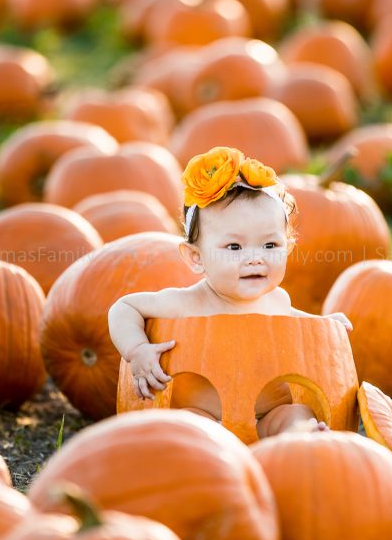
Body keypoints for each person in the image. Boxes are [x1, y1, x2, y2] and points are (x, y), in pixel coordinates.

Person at [108, 146, 352, 438]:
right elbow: (125, 307)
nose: (254, 258)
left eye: (270, 245)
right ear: (196, 257)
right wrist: (137, 350)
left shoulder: (277, 301)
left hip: (268, 415)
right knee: (188, 423)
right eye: (234, 247)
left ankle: (297, 441)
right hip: (207, 420)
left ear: (287, 247)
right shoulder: (187, 303)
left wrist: (325, 327)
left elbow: (297, 328)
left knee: (296, 414)